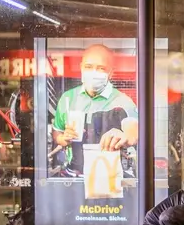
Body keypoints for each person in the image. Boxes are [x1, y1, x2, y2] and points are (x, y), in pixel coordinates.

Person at [53, 44, 138, 175]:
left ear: (111, 72)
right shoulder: (67, 99)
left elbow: (134, 133)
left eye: (101, 68)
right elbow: (57, 132)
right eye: (88, 67)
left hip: (108, 177)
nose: (93, 72)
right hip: (73, 176)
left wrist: (125, 137)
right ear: (81, 67)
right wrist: (64, 139)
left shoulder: (122, 101)